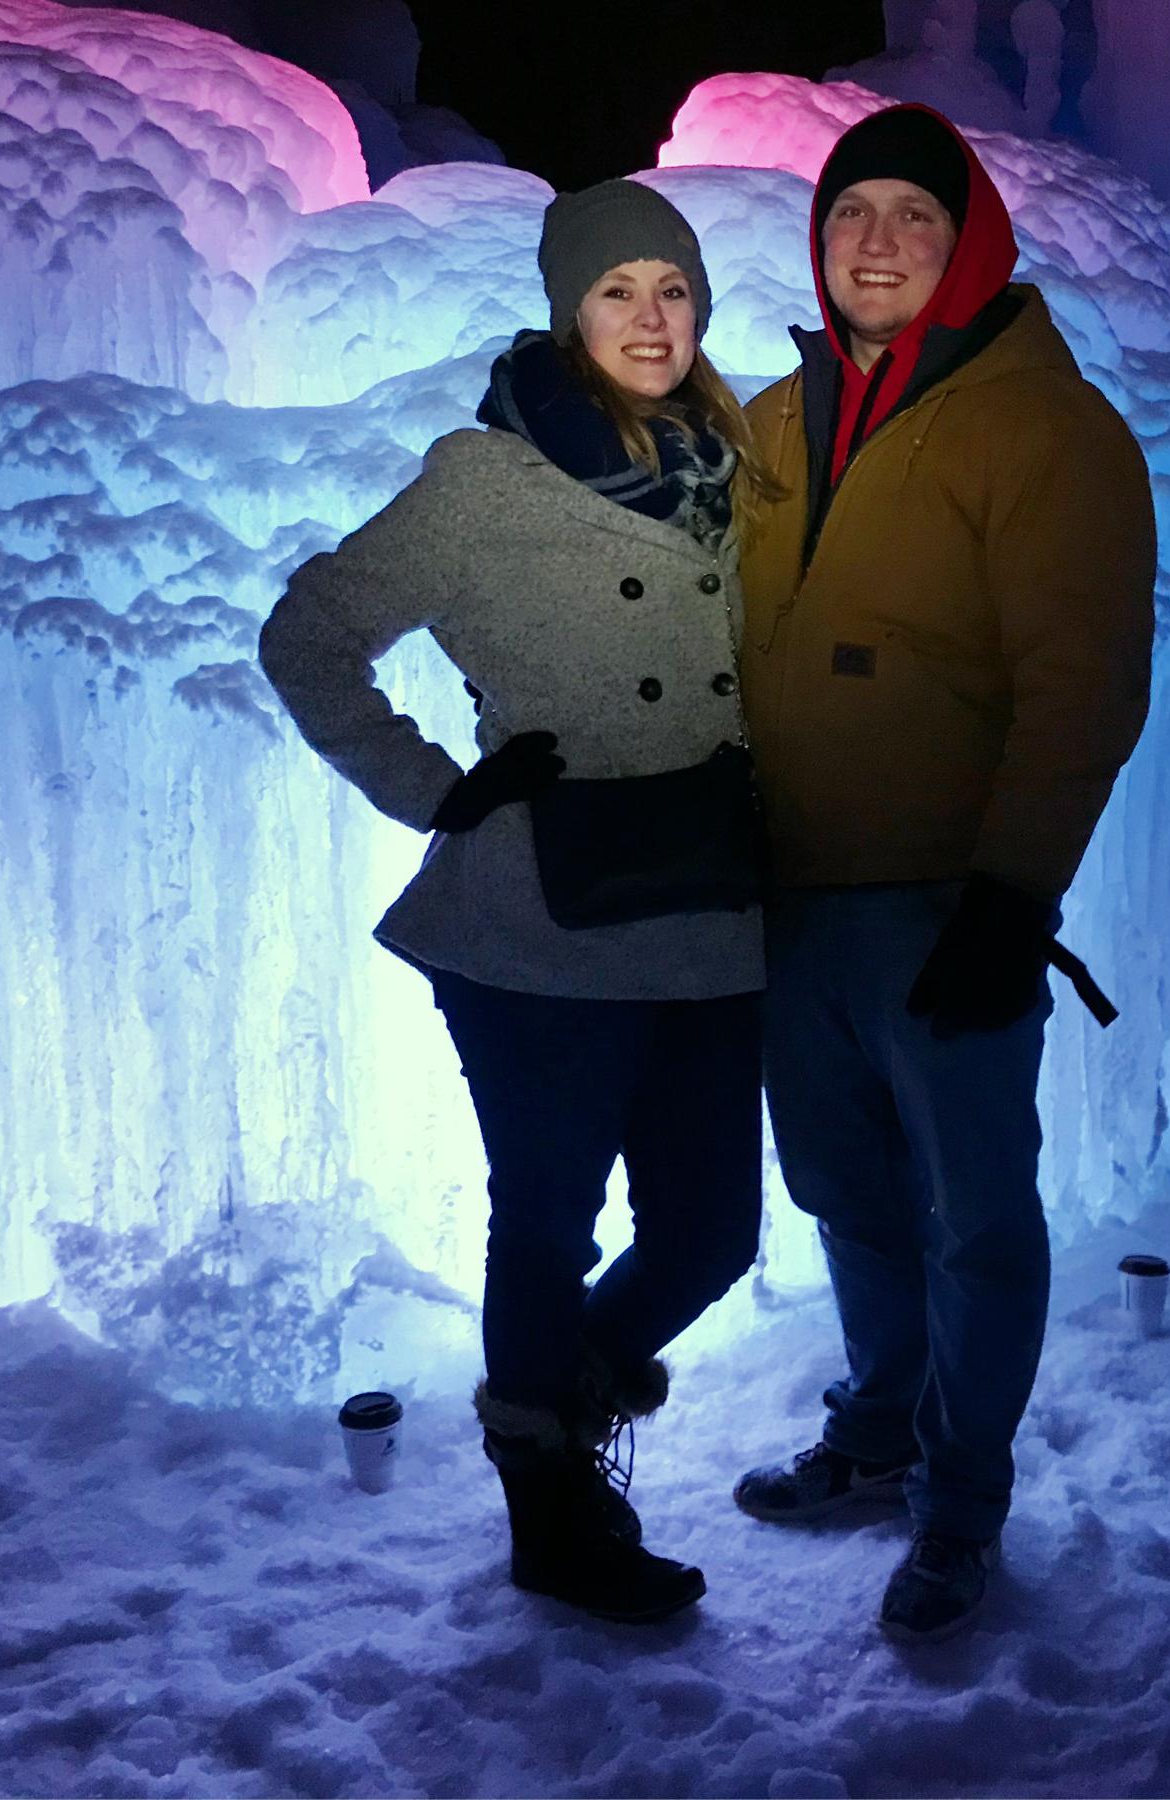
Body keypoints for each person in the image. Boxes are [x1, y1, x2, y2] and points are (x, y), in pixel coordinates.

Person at [259, 179, 778, 1625]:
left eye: (671, 291)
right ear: (568, 309)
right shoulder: (484, 480)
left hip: (709, 911)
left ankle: (557, 1393)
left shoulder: (743, 467)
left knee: (709, 1233)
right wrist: (433, 787)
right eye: (616, 291)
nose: (648, 318)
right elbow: (310, 634)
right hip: (537, 922)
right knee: (543, 1222)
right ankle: (549, 1510)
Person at [729, 104, 1158, 1642]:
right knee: (846, 1194)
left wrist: (1009, 897)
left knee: (972, 1216)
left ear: (969, 238)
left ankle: (958, 1502)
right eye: (853, 214)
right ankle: (875, 1435)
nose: (879, 242)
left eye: (914, 213)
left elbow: (1083, 683)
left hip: (943, 904)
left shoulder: (1047, 430)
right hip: (791, 899)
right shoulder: (778, 422)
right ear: (817, 242)